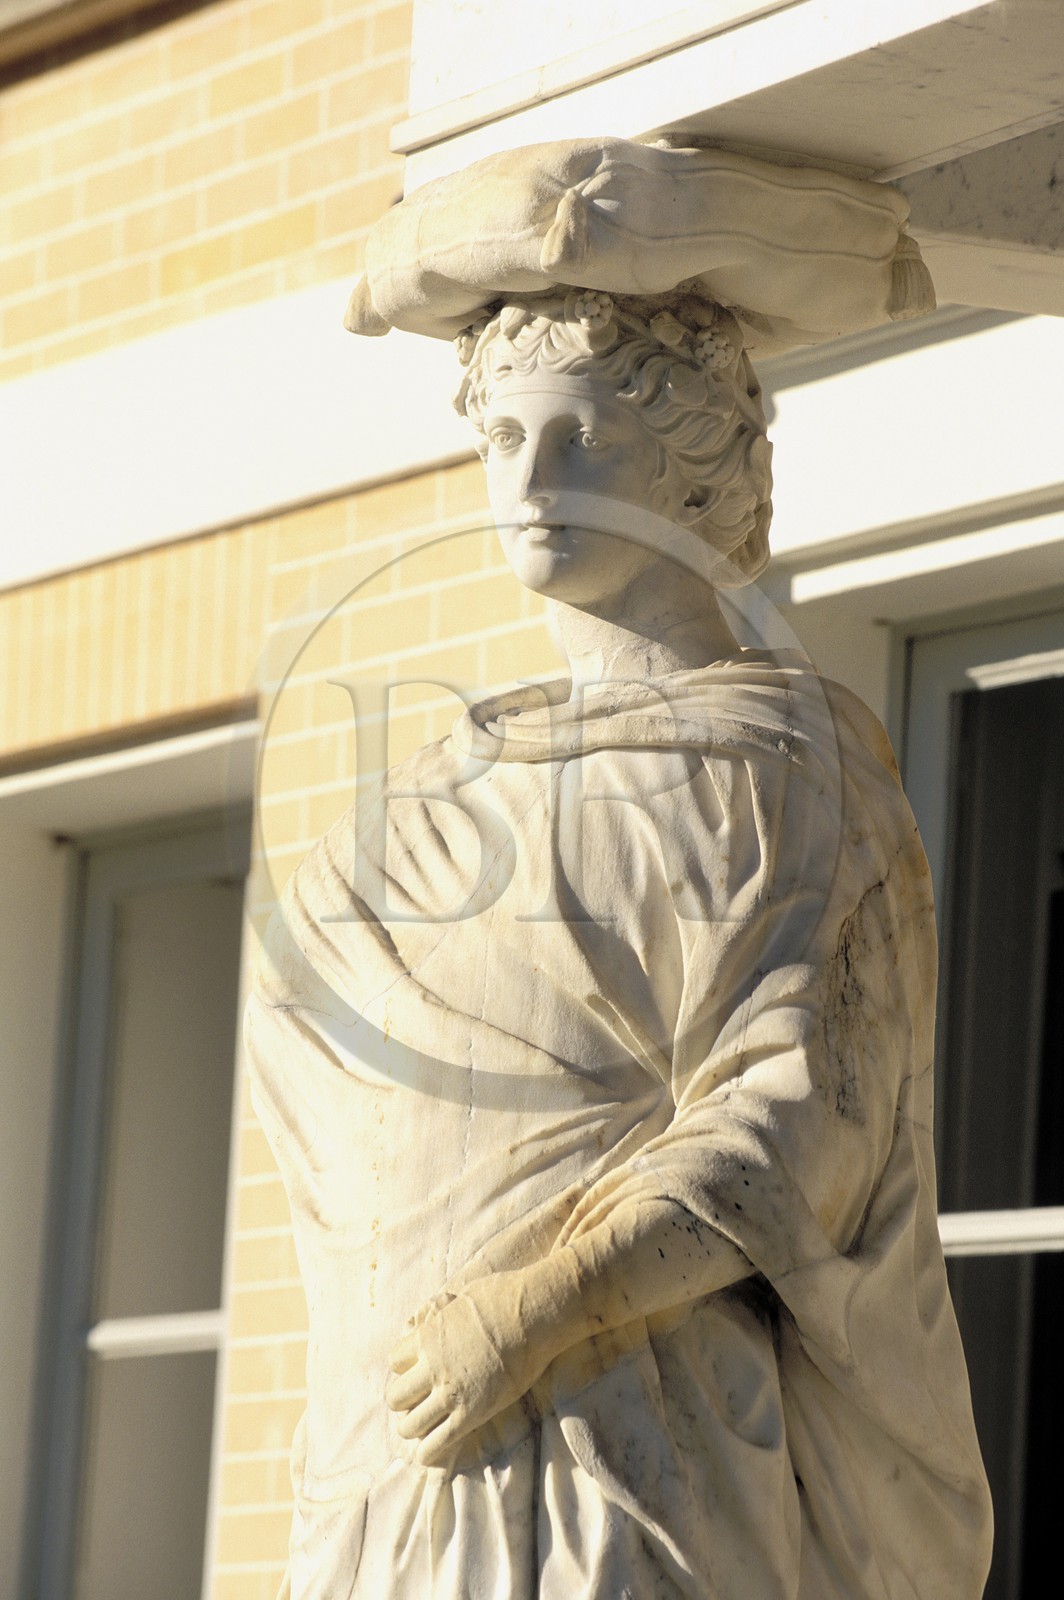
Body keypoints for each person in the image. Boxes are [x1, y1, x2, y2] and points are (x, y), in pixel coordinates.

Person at [246, 141, 992, 1598]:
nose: (529, 483)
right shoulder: (438, 788)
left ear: (694, 469)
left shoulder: (790, 762)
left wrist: (531, 1309)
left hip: (631, 1421)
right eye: (504, 440)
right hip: (413, 1448)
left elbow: (800, 1122)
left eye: (579, 437)